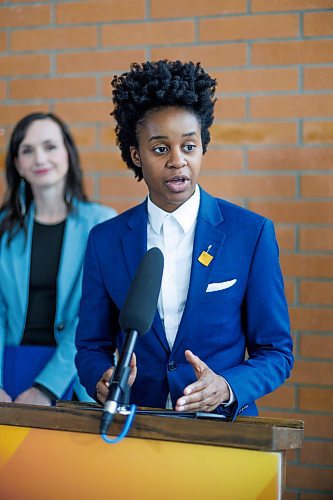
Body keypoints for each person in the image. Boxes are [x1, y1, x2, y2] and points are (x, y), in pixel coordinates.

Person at [75, 60, 293, 419]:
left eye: (189, 147)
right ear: (136, 155)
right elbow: (90, 346)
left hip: (220, 432)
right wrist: (101, 378)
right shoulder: (105, 240)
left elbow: (276, 352)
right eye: (160, 149)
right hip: (137, 426)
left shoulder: (250, 234)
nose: (178, 161)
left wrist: (226, 386)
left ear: (202, 148)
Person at [0, 112, 116, 405]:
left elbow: (96, 317)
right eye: (27, 150)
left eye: (50, 146)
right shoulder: (3, 227)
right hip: (10, 365)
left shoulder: (101, 224)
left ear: (67, 153)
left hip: (76, 374)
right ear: (17, 164)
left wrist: (46, 388)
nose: (40, 158)